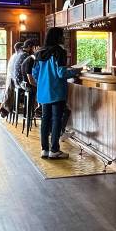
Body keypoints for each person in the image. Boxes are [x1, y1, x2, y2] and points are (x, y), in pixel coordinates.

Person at [31, 27, 80, 159]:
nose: (64, 38)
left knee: (45, 120)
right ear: (57, 37)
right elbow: (61, 73)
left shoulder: (39, 52)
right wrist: (76, 71)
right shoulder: (60, 52)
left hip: (43, 91)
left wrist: (43, 81)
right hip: (57, 91)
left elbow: (35, 73)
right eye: (62, 36)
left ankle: (44, 150)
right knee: (56, 120)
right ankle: (54, 150)